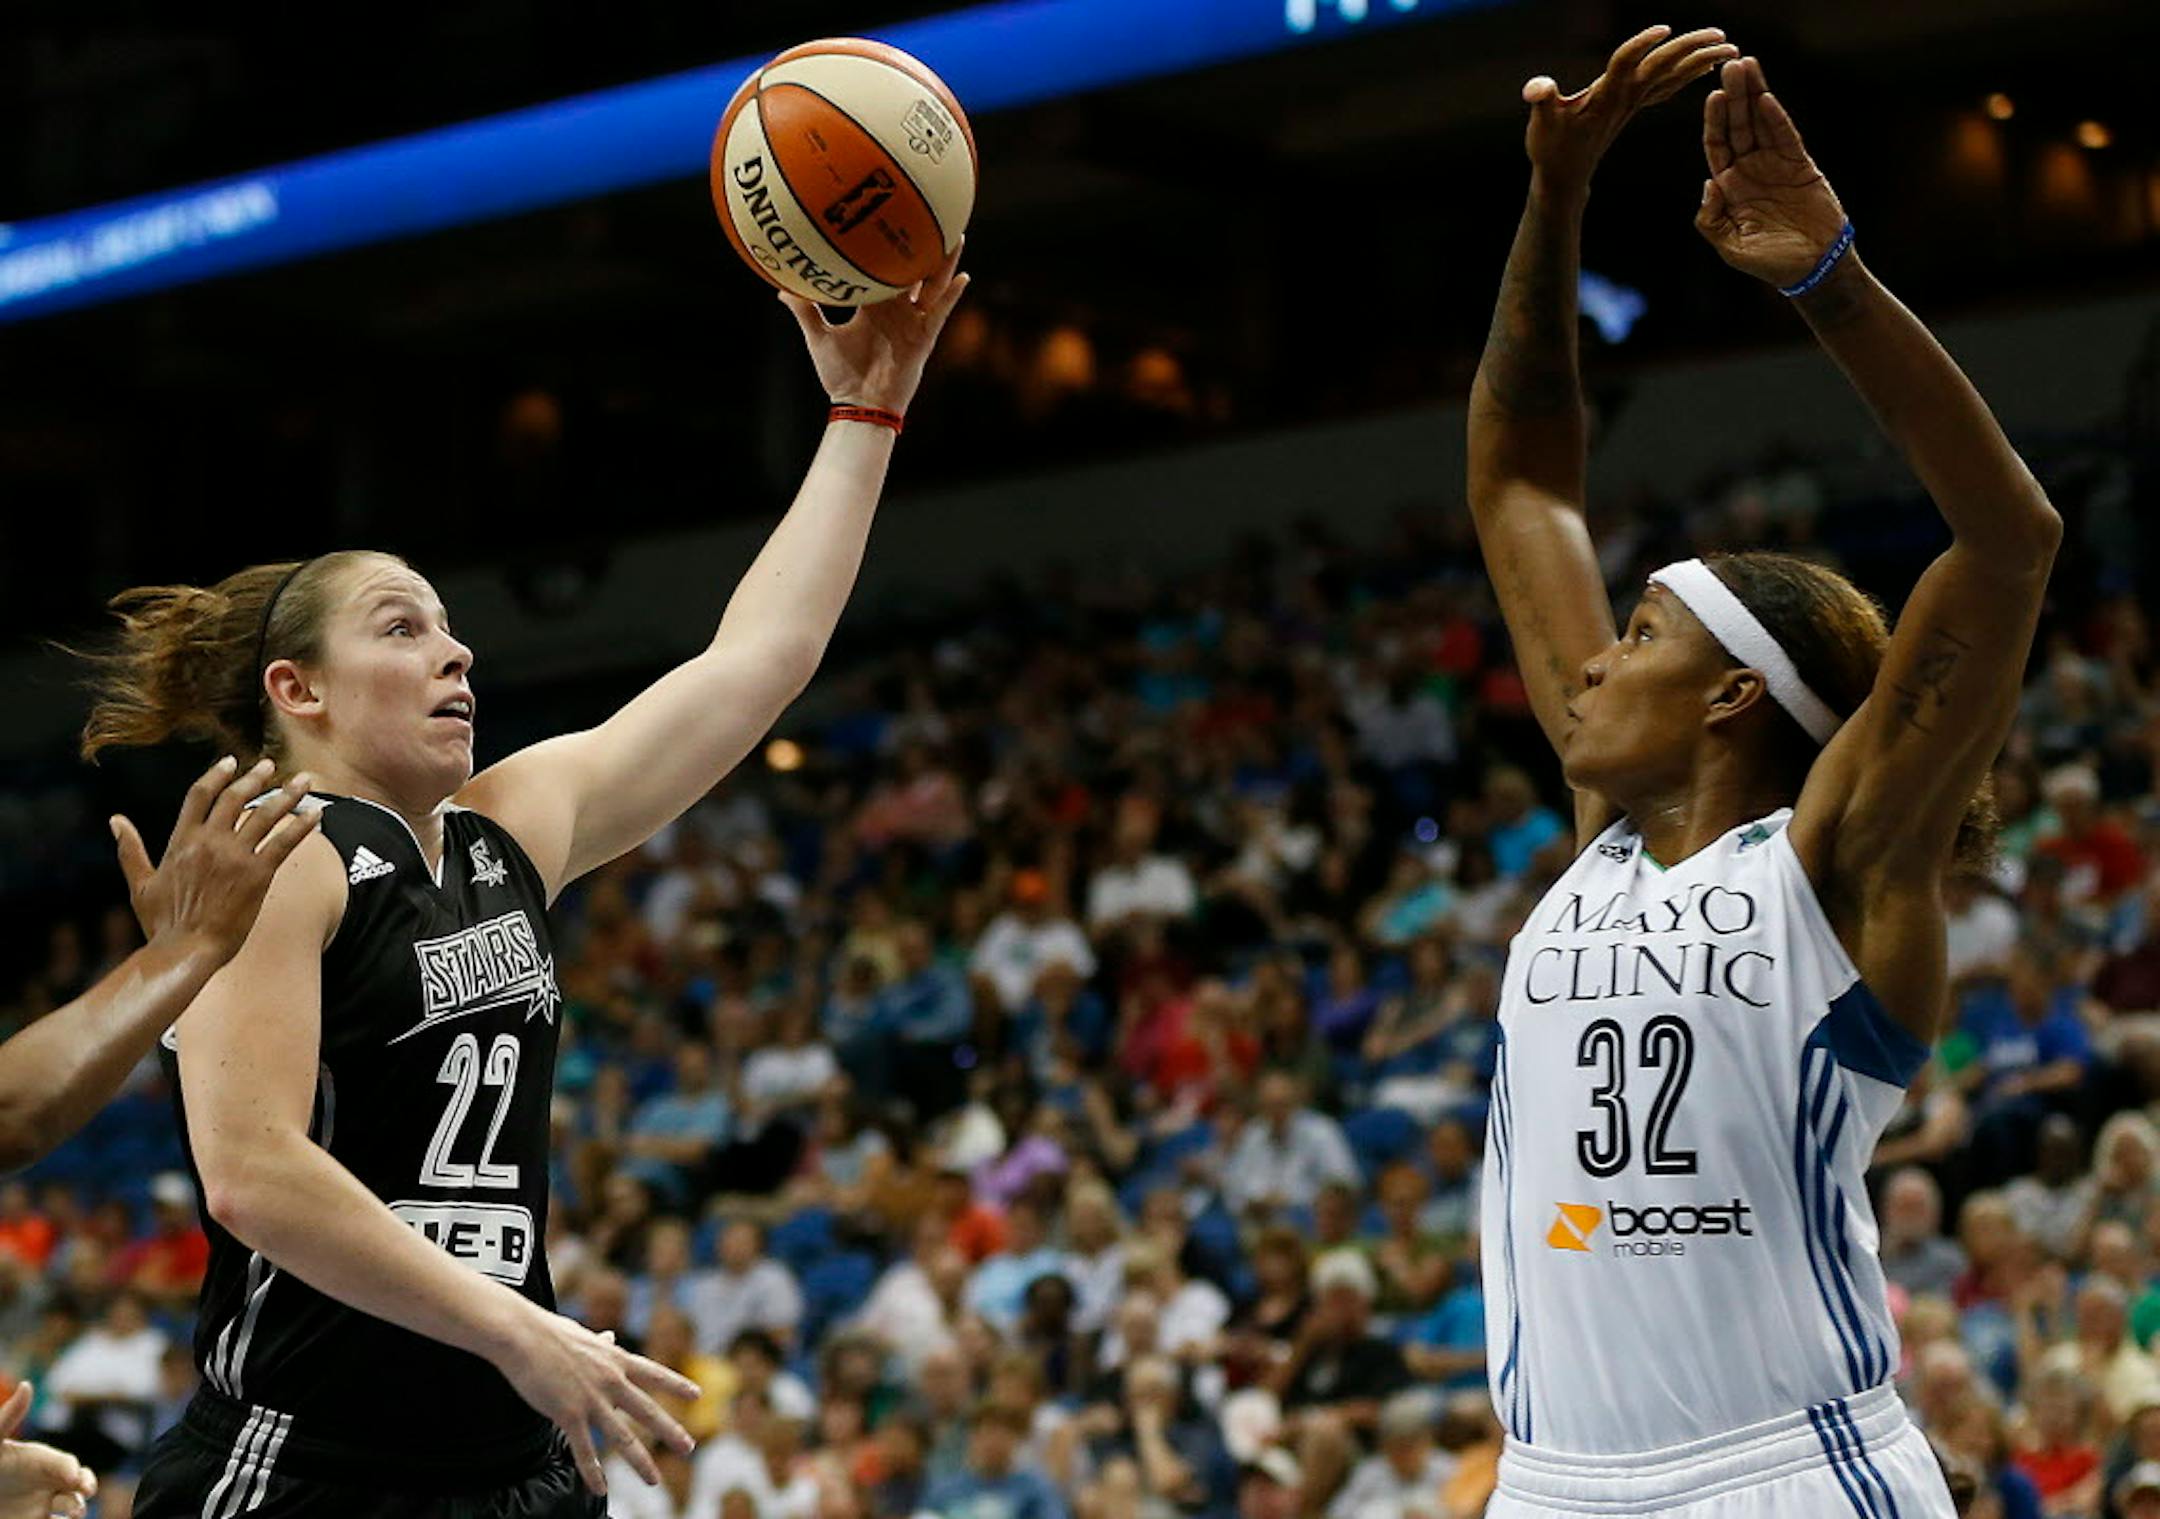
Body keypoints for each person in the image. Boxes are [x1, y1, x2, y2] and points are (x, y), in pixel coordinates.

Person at [73, 246, 970, 1517]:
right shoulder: (270, 857)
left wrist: (867, 412)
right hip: (313, 1462)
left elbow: (757, 660)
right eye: (402, 628)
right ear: (298, 689)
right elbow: (253, 1172)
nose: (456, 651)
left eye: (448, 626)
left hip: (512, 1462)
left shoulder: (510, 829)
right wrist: (518, 1328)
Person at [1467, 26, 2059, 1518]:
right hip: (1551, 1482)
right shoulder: (1606, 832)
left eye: (1642, 633)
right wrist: (1555, 201)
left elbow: (2007, 542)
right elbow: (1523, 480)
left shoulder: (1839, 860)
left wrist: (1829, 281)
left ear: (1735, 692)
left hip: (1784, 1475)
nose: (1593, 660)